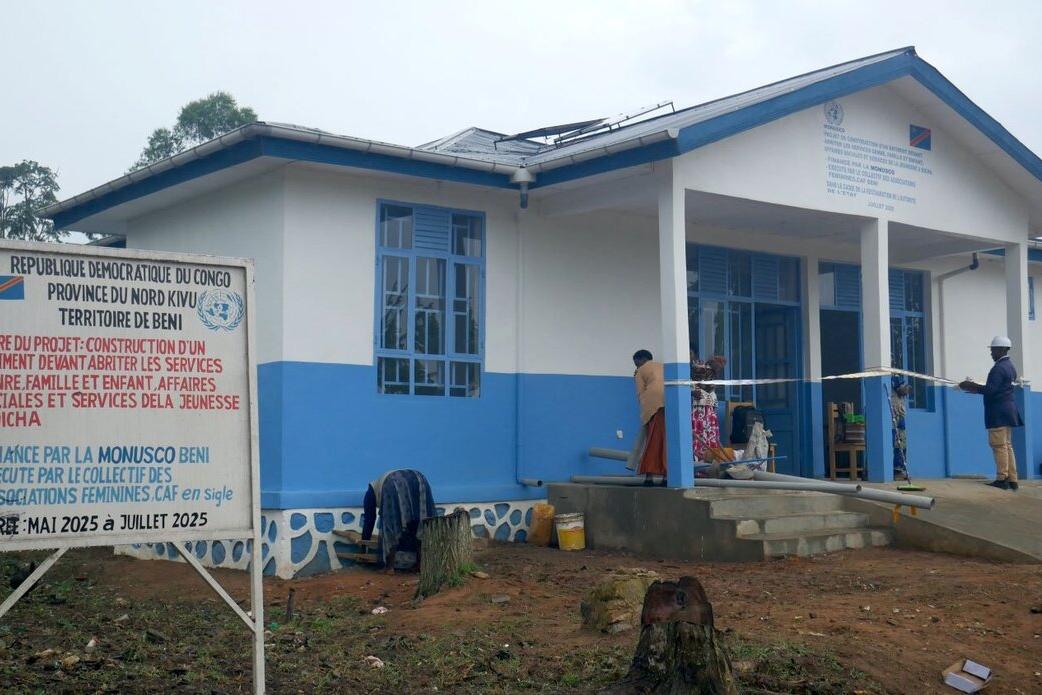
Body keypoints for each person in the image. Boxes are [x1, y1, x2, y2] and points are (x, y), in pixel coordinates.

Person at [959, 336, 1024, 491]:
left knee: (998, 445)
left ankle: (1002, 478)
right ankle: (1012, 479)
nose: (991, 353)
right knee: (1007, 445)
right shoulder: (1010, 366)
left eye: (993, 350)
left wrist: (971, 385)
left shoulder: (998, 368)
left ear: (1001, 349)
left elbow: (991, 390)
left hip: (998, 413)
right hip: (1008, 411)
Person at [631, 350, 666, 478]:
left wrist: (645, 415)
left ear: (642, 360)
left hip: (654, 408)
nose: (637, 367)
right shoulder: (664, 366)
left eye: (637, 363)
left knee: (653, 442)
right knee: (667, 443)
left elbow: (640, 394)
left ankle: (649, 476)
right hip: (672, 404)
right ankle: (666, 476)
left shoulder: (640, 371)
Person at [690, 353, 724, 461]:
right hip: (701, 407)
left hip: (706, 407)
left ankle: (706, 459)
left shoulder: (708, 373)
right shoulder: (702, 369)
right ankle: (702, 460)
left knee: (706, 434)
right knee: (703, 434)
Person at [889, 376, 911, 481]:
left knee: (901, 443)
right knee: (894, 442)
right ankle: (895, 470)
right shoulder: (890, 378)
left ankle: (900, 469)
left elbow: (902, 392)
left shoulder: (898, 377)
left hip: (900, 414)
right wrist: (905, 388)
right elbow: (901, 390)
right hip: (892, 415)